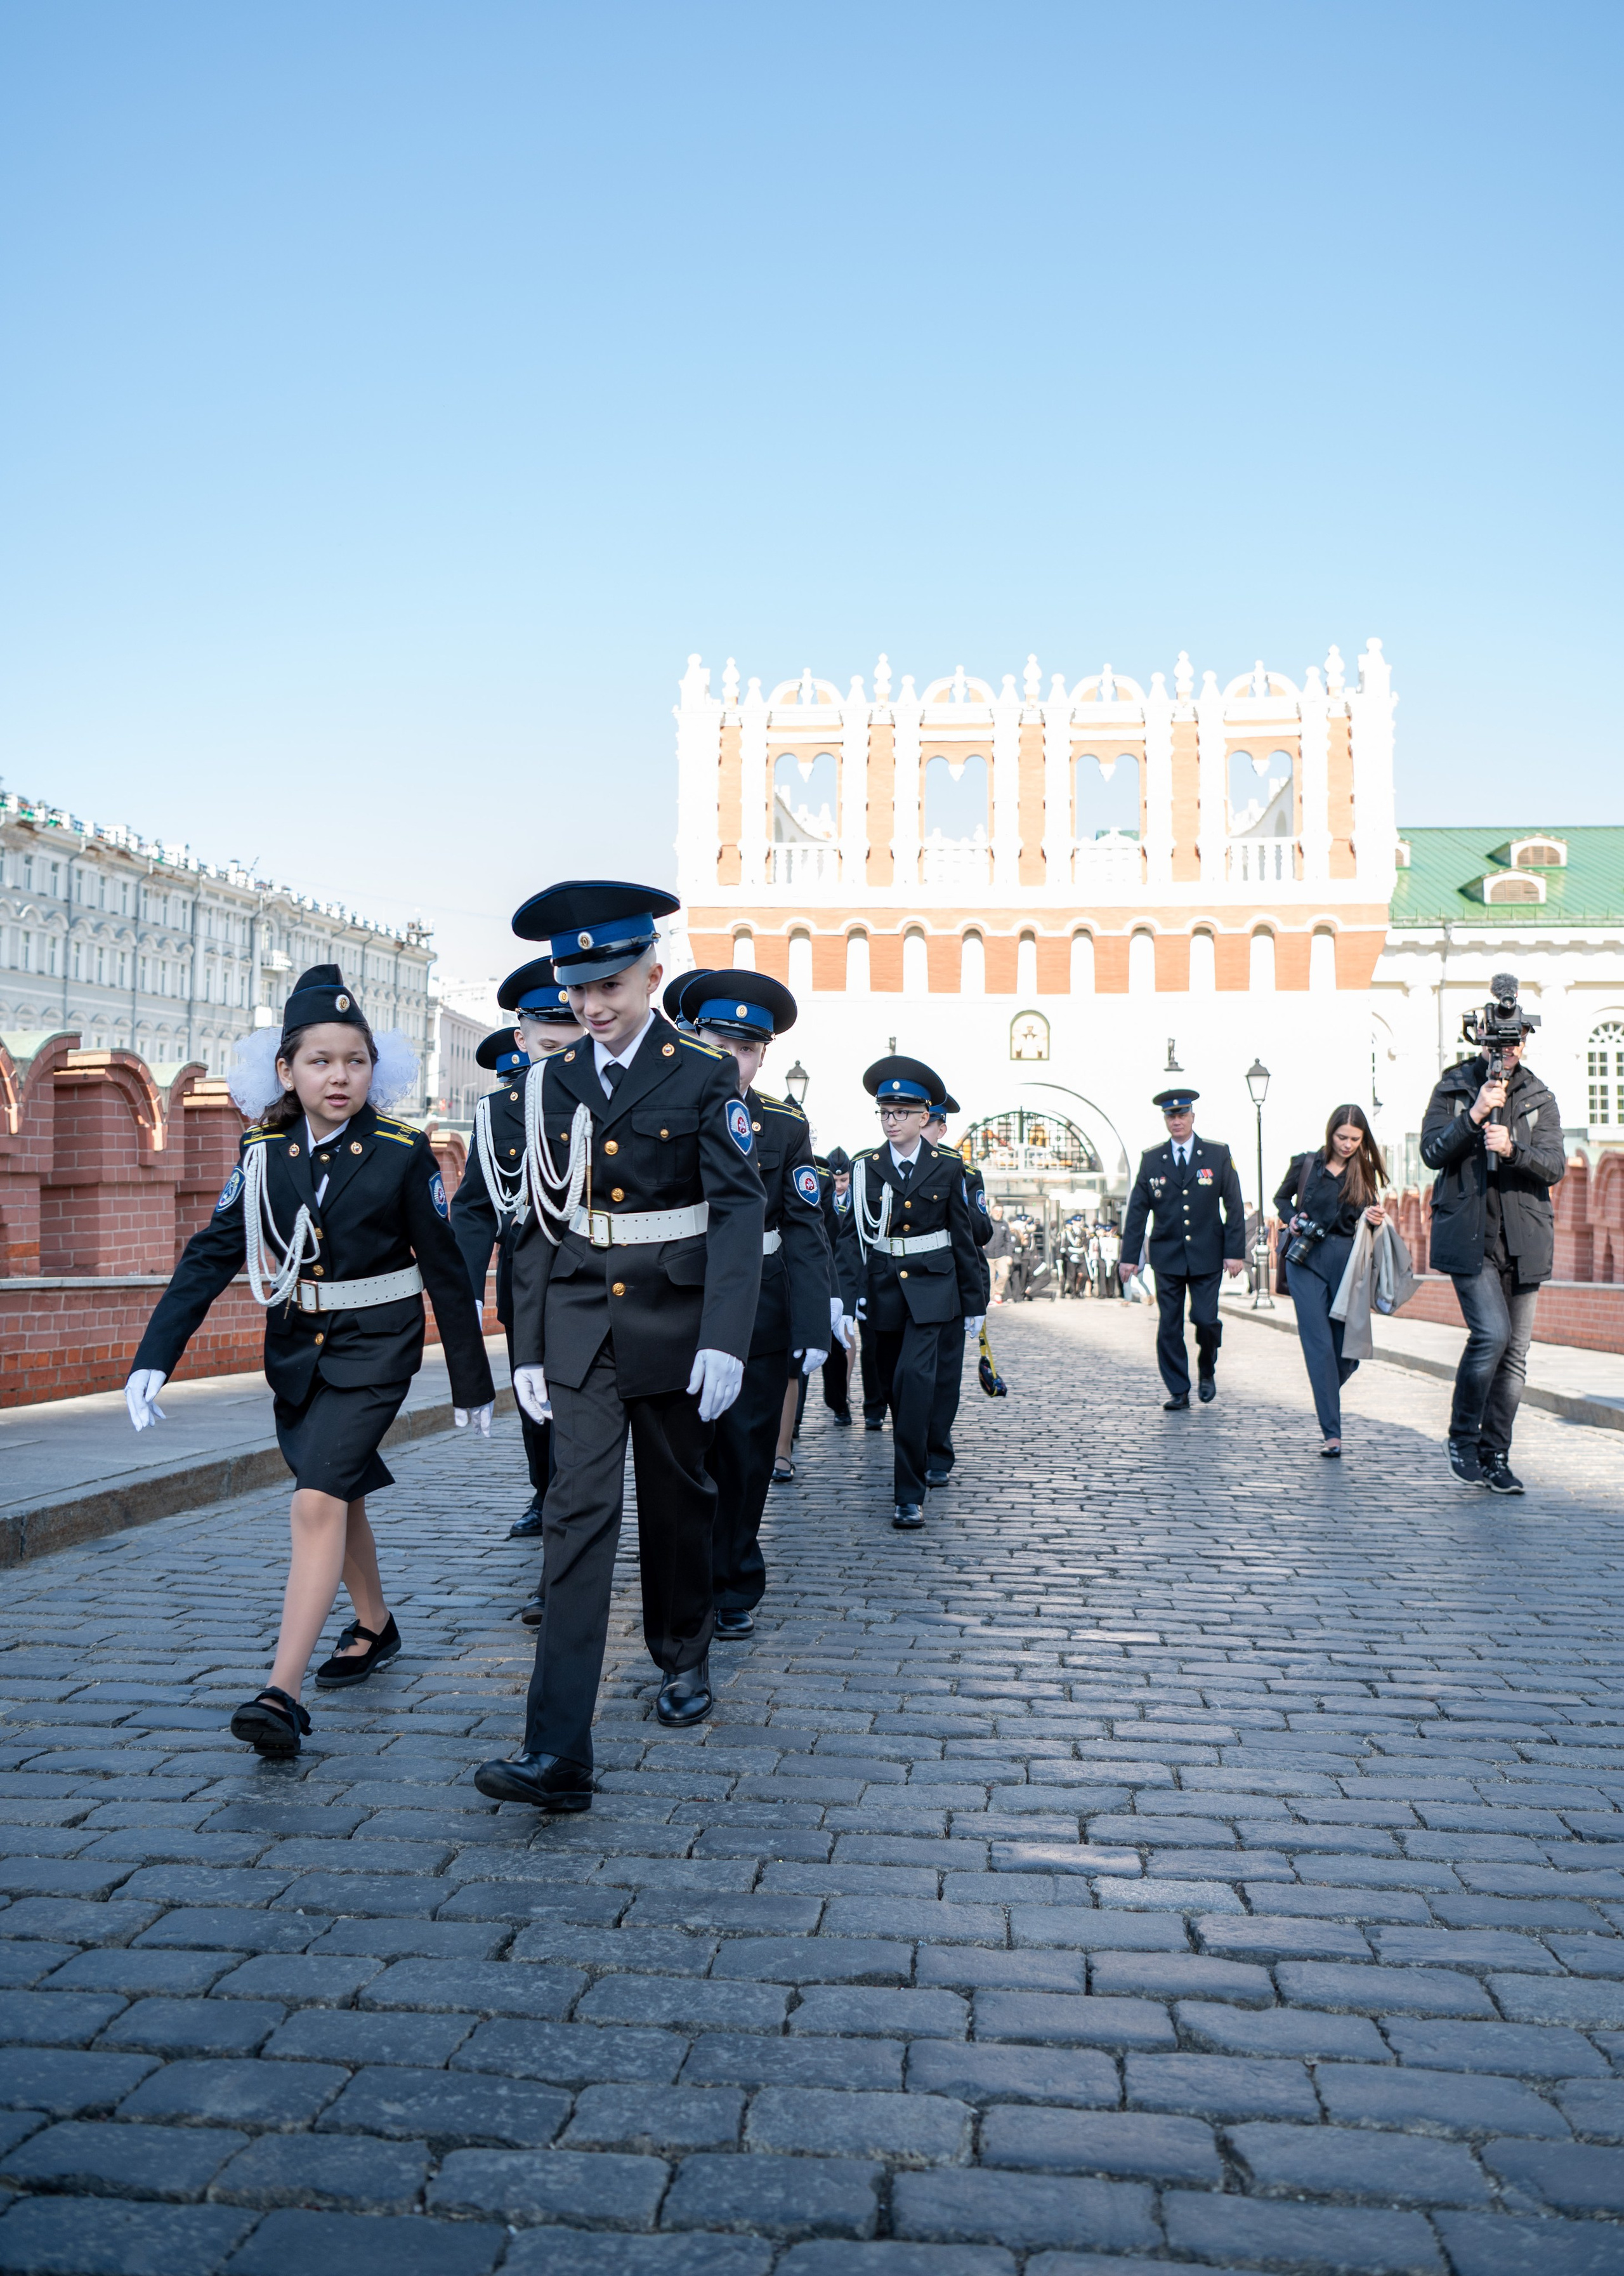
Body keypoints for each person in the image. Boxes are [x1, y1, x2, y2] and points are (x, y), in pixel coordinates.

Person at [124, 964, 495, 1757]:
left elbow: (445, 1269)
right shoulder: (262, 1148)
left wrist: (471, 1380)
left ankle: (279, 1692)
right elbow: (212, 1253)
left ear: (376, 1068)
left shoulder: (401, 1151)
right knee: (338, 1489)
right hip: (296, 1347)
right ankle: (375, 1624)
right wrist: (154, 1356)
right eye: (320, 1060)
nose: (339, 1075)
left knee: (315, 1499)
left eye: (355, 1060)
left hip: (376, 1345)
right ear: (285, 1071)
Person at [473, 881, 763, 1814]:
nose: (591, 1005)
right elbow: (537, 1215)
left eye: (608, 982)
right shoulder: (550, 1082)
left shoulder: (700, 1070)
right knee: (576, 1515)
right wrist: (526, 1337)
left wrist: (725, 1335)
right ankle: (557, 1746)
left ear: (652, 971)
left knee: (679, 1503)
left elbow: (738, 1205)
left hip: (676, 1323)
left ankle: (683, 1652)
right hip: (580, 1324)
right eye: (575, 985)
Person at [663, 966, 832, 1637]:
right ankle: (683, 1579)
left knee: (744, 1454)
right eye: (721, 1042)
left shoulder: (784, 1124)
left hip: (759, 1306)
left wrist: (813, 1317)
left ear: (763, 1054)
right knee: (679, 1454)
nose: (734, 1059)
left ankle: (732, 1578)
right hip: (673, 1301)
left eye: (749, 1048)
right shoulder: (661, 1111)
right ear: (693, 1037)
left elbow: (803, 1225)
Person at [449, 957, 585, 1561]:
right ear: (523, 1039)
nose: (558, 1059)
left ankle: (571, 1517)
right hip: (526, 1284)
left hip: (596, 1278)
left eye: (572, 1043)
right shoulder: (496, 1112)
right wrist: (467, 1285)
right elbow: (475, 1206)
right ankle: (545, 1493)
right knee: (537, 1408)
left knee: (585, 1416)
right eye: (547, 1045)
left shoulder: (607, 1098)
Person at [1420, 1010, 1565, 1492]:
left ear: (1525, 1041)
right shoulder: (1455, 1085)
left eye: (1516, 1040)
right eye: (1499, 1039)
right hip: (1469, 1234)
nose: (1507, 1049)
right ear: (1480, 1036)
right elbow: (1432, 1152)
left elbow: (1555, 1165)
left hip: (1524, 1240)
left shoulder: (1539, 1095)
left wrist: (1513, 1150)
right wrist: (1475, 1114)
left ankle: (1496, 1454)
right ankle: (1463, 1438)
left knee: (1515, 1354)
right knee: (1493, 1334)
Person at [849, 1056, 985, 1528]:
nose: (891, 1121)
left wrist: (975, 1302)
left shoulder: (948, 1167)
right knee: (890, 1386)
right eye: (885, 1112)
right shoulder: (865, 1167)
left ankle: (909, 1494)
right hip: (884, 1290)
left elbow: (963, 1236)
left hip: (933, 1292)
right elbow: (852, 1241)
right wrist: (849, 1297)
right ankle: (912, 1460)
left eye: (901, 1113)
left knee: (914, 1383)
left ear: (924, 1117)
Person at [1273, 1107, 1390, 1456]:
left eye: (1356, 1139)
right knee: (1319, 1346)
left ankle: (1324, 1390)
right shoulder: (1307, 1164)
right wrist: (1292, 1220)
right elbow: (1281, 1198)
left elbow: (1368, 1217)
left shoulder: (1365, 1171)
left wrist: (1374, 1216)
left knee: (1346, 1354)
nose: (1348, 1145)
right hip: (1305, 1260)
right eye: (1342, 1137)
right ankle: (1332, 1433)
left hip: (1347, 1262)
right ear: (1331, 1133)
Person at [1120, 1086, 1245, 1409]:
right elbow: (1137, 1212)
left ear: (1193, 1116)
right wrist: (1129, 1258)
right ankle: (1178, 1388)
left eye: (1182, 1114)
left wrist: (1235, 1251)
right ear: (1165, 1120)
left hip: (1208, 1254)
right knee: (1169, 1325)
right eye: (1171, 1116)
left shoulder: (1217, 1154)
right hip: (1168, 1256)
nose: (1177, 1121)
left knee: (1205, 1320)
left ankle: (1207, 1368)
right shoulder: (1152, 1160)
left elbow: (1234, 1205)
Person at [921, 1093, 992, 1487]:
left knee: (944, 1375)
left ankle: (938, 1451)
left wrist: (958, 1198)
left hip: (952, 1281)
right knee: (910, 1374)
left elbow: (982, 1233)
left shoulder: (964, 1172)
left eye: (927, 1121)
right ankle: (913, 1441)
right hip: (908, 1284)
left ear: (940, 1127)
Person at [819, 1147, 858, 1422]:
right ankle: (793, 1419)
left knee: (837, 1342)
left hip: (841, 1278)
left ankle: (839, 1402)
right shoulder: (820, 1196)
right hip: (817, 1271)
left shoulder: (858, 1201)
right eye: (836, 1182)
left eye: (844, 1180)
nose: (840, 1186)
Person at [985, 1199, 1014, 1303]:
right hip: (987, 1255)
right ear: (992, 1211)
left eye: (1000, 1212)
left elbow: (1008, 1241)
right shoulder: (987, 1221)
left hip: (1001, 1254)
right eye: (996, 1211)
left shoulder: (1004, 1224)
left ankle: (998, 1292)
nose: (998, 1213)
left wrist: (1009, 1255)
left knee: (1004, 1274)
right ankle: (992, 1298)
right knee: (990, 1278)